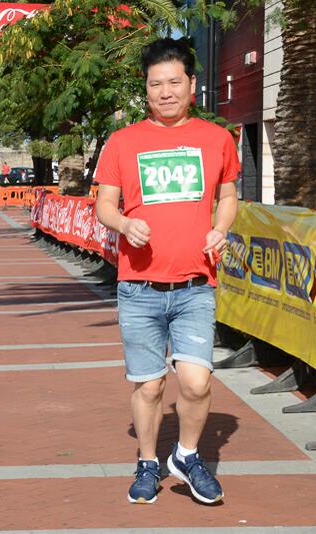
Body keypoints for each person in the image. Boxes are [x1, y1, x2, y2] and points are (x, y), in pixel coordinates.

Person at [94, 38, 239, 506]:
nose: (165, 91)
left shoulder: (217, 139)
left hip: (196, 285)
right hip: (139, 288)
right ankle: (146, 462)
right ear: (147, 89)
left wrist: (220, 228)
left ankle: (188, 455)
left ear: (192, 85)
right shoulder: (123, 142)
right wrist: (123, 222)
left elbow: (230, 195)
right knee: (151, 386)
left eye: (175, 82)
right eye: (156, 84)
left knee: (196, 383)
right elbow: (103, 206)